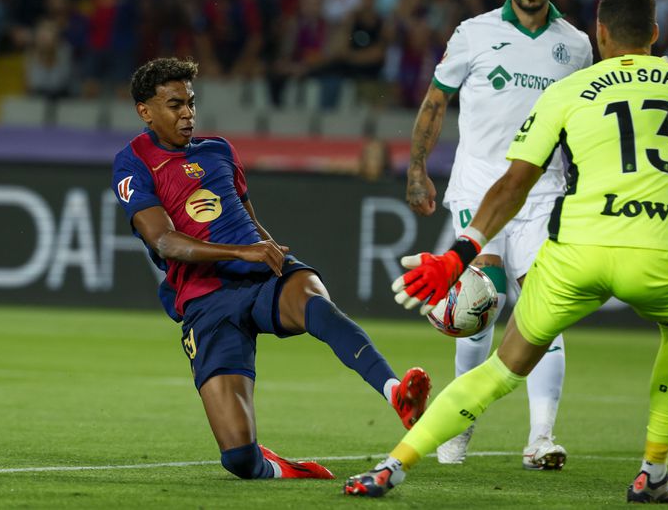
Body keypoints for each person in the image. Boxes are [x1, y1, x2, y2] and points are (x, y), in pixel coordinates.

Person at [345, 0, 668, 503]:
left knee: (507, 358)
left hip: (575, 240)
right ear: (655, 33)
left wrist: (457, 254)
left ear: (600, 34)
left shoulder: (571, 86)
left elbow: (514, 184)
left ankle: (396, 463)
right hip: (659, 255)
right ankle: (653, 470)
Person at [111, 57, 431, 480]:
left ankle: (396, 394)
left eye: (191, 102)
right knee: (240, 460)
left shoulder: (219, 150)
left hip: (261, 279)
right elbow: (164, 241)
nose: (188, 113)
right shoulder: (133, 162)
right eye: (175, 105)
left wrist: (263, 247)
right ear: (145, 111)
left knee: (315, 301)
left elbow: (246, 216)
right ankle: (277, 467)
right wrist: (240, 253)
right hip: (205, 300)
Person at [404, 0, 592, 468]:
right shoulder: (474, 32)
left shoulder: (576, 45)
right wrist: (418, 168)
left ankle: (541, 439)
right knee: (478, 303)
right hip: (480, 188)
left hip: (543, 192)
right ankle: (459, 425)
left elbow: (585, 120)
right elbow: (435, 100)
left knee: (542, 310)